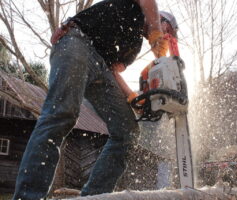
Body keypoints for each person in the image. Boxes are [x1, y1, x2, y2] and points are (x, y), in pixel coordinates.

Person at [12, 0, 168, 199]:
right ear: (160, 18)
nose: (164, 34)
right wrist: (156, 31)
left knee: (127, 132)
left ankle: (93, 196)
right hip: (77, 41)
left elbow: (114, 72)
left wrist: (132, 97)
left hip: (102, 68)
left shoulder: (134, 46)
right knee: (61, 114)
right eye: (166, 28)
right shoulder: (133, 6)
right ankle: (28, 196)